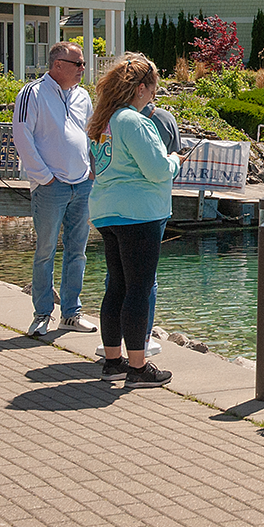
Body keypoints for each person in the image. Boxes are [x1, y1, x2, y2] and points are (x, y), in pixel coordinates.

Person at [88, 54, 182, 389]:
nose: (155, 94)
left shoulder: (104, 120)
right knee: (139, 288)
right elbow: (156, 170)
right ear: (142, 88)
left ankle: (113, 362)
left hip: (106, 210)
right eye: (154, 87)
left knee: (116, 286)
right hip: (139, 212)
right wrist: (174, 162)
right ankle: (138, 367)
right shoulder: (135, 121)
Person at [13, 42, 97, 336]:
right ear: (57, 65)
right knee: (45, 251)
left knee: (78, 251)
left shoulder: (82, 96)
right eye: (78, 64)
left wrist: (91, 169)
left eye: (83, 64)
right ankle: (42, 314)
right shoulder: (32, 93)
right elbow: (22, 136)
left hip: (81, 184)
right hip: (51, 187)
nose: (83, 70)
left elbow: (90, 133)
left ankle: (71, 313)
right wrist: (44, 177)